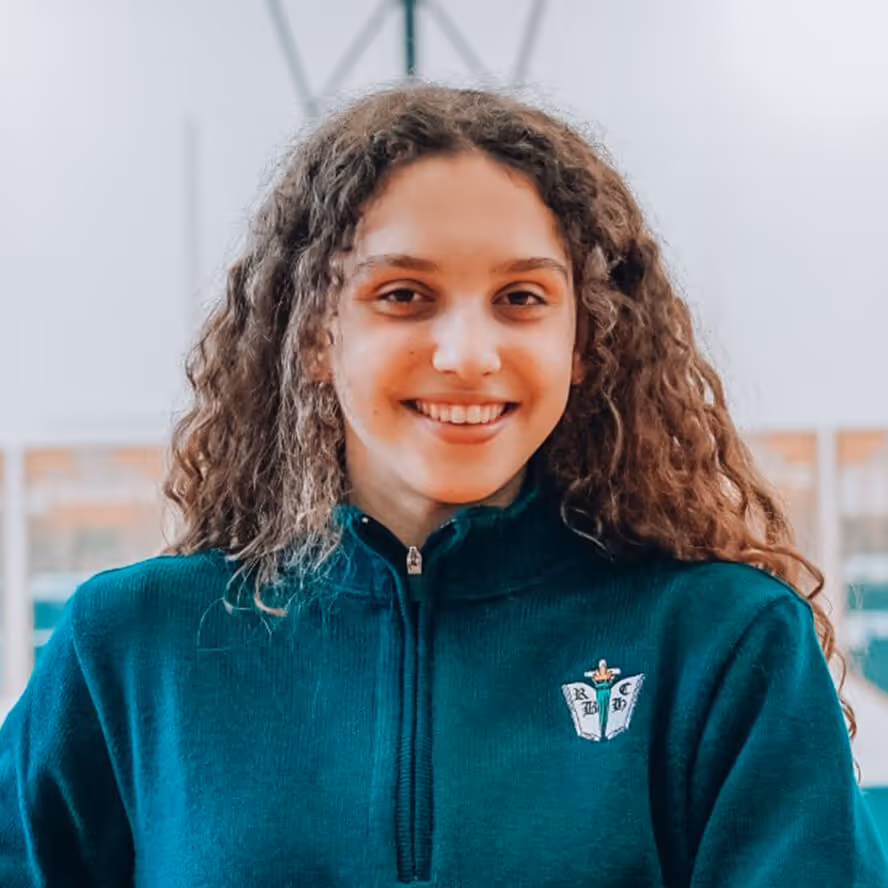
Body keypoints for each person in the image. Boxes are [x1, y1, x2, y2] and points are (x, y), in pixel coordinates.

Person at [1, 81, 886, 888]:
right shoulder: (129, 648)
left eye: (522, 299)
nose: (468, 354)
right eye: (404, 295)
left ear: (584, 342)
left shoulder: (725, 646)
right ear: (315, 334)